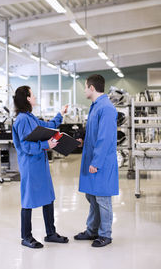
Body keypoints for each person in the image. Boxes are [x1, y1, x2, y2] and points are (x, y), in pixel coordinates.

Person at [12, 85, 69, 249]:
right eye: (33, 94)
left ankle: (50, 233)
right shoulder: (22, 120)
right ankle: (26, 237)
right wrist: (46, 144)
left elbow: (48, 125)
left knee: (48, 197)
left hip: (40, 163)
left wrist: (61, 114)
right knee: (28, 200)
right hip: (30, 165)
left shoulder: (31, 117)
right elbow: (25, 147)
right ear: (27, 99)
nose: (35, 97)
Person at [74, 74, 119, 247]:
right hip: (92, 158)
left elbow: (105, 138)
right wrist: (83, 141)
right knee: (92, 196)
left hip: (102, 162)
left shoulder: (106, 108)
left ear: (92, 88)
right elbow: (95, 134)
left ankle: (105, 235)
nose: (84, 90)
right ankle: (92, 230)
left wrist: (96, 162)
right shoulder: (95, 106)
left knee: (103, 199)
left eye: (85, 87)